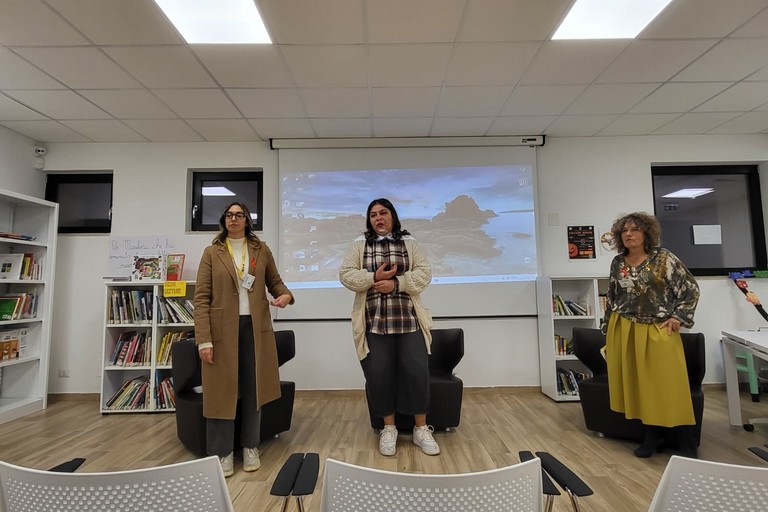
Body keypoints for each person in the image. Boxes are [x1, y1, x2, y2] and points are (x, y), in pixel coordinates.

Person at [193, 201, 294, 477]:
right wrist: (204, 339)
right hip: (221, 331)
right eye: (229, 215)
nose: (234, 219)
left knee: (254, 389)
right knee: (220, 392)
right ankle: (223, 452)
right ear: (224, 220)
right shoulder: (212, 252)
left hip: (255, 328)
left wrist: (284, 296)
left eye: (239, 215)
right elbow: (201, 298)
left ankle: (250, 446)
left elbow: (276, 283)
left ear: (248, 220)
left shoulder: (260, 251)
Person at [339, 198, 439, 457]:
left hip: (409, 321)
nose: (378, 218)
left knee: (417, 373)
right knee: (379, 376)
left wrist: (396, 284)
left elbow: (424, 273)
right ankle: (389, 429)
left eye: (383, 213)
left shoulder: (410, 243)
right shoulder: (359, 245)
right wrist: (374, 277)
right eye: (373, 215)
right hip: (374, 323)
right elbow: (346, 274)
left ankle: (420, 430)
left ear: (393, 216)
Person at [602, 212, 700, 458]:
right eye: (624, 230)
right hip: (625, 327)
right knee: (640, 386)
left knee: (669, 384)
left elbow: (690, 289)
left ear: (647, 233)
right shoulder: (618, 262)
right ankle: (651, 437)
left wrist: (678, 317)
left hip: (658, 329)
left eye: (635, 229)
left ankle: (686, 440)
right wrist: (607, 329)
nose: (628, 234)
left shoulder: (664, 259)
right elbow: (612, 297)